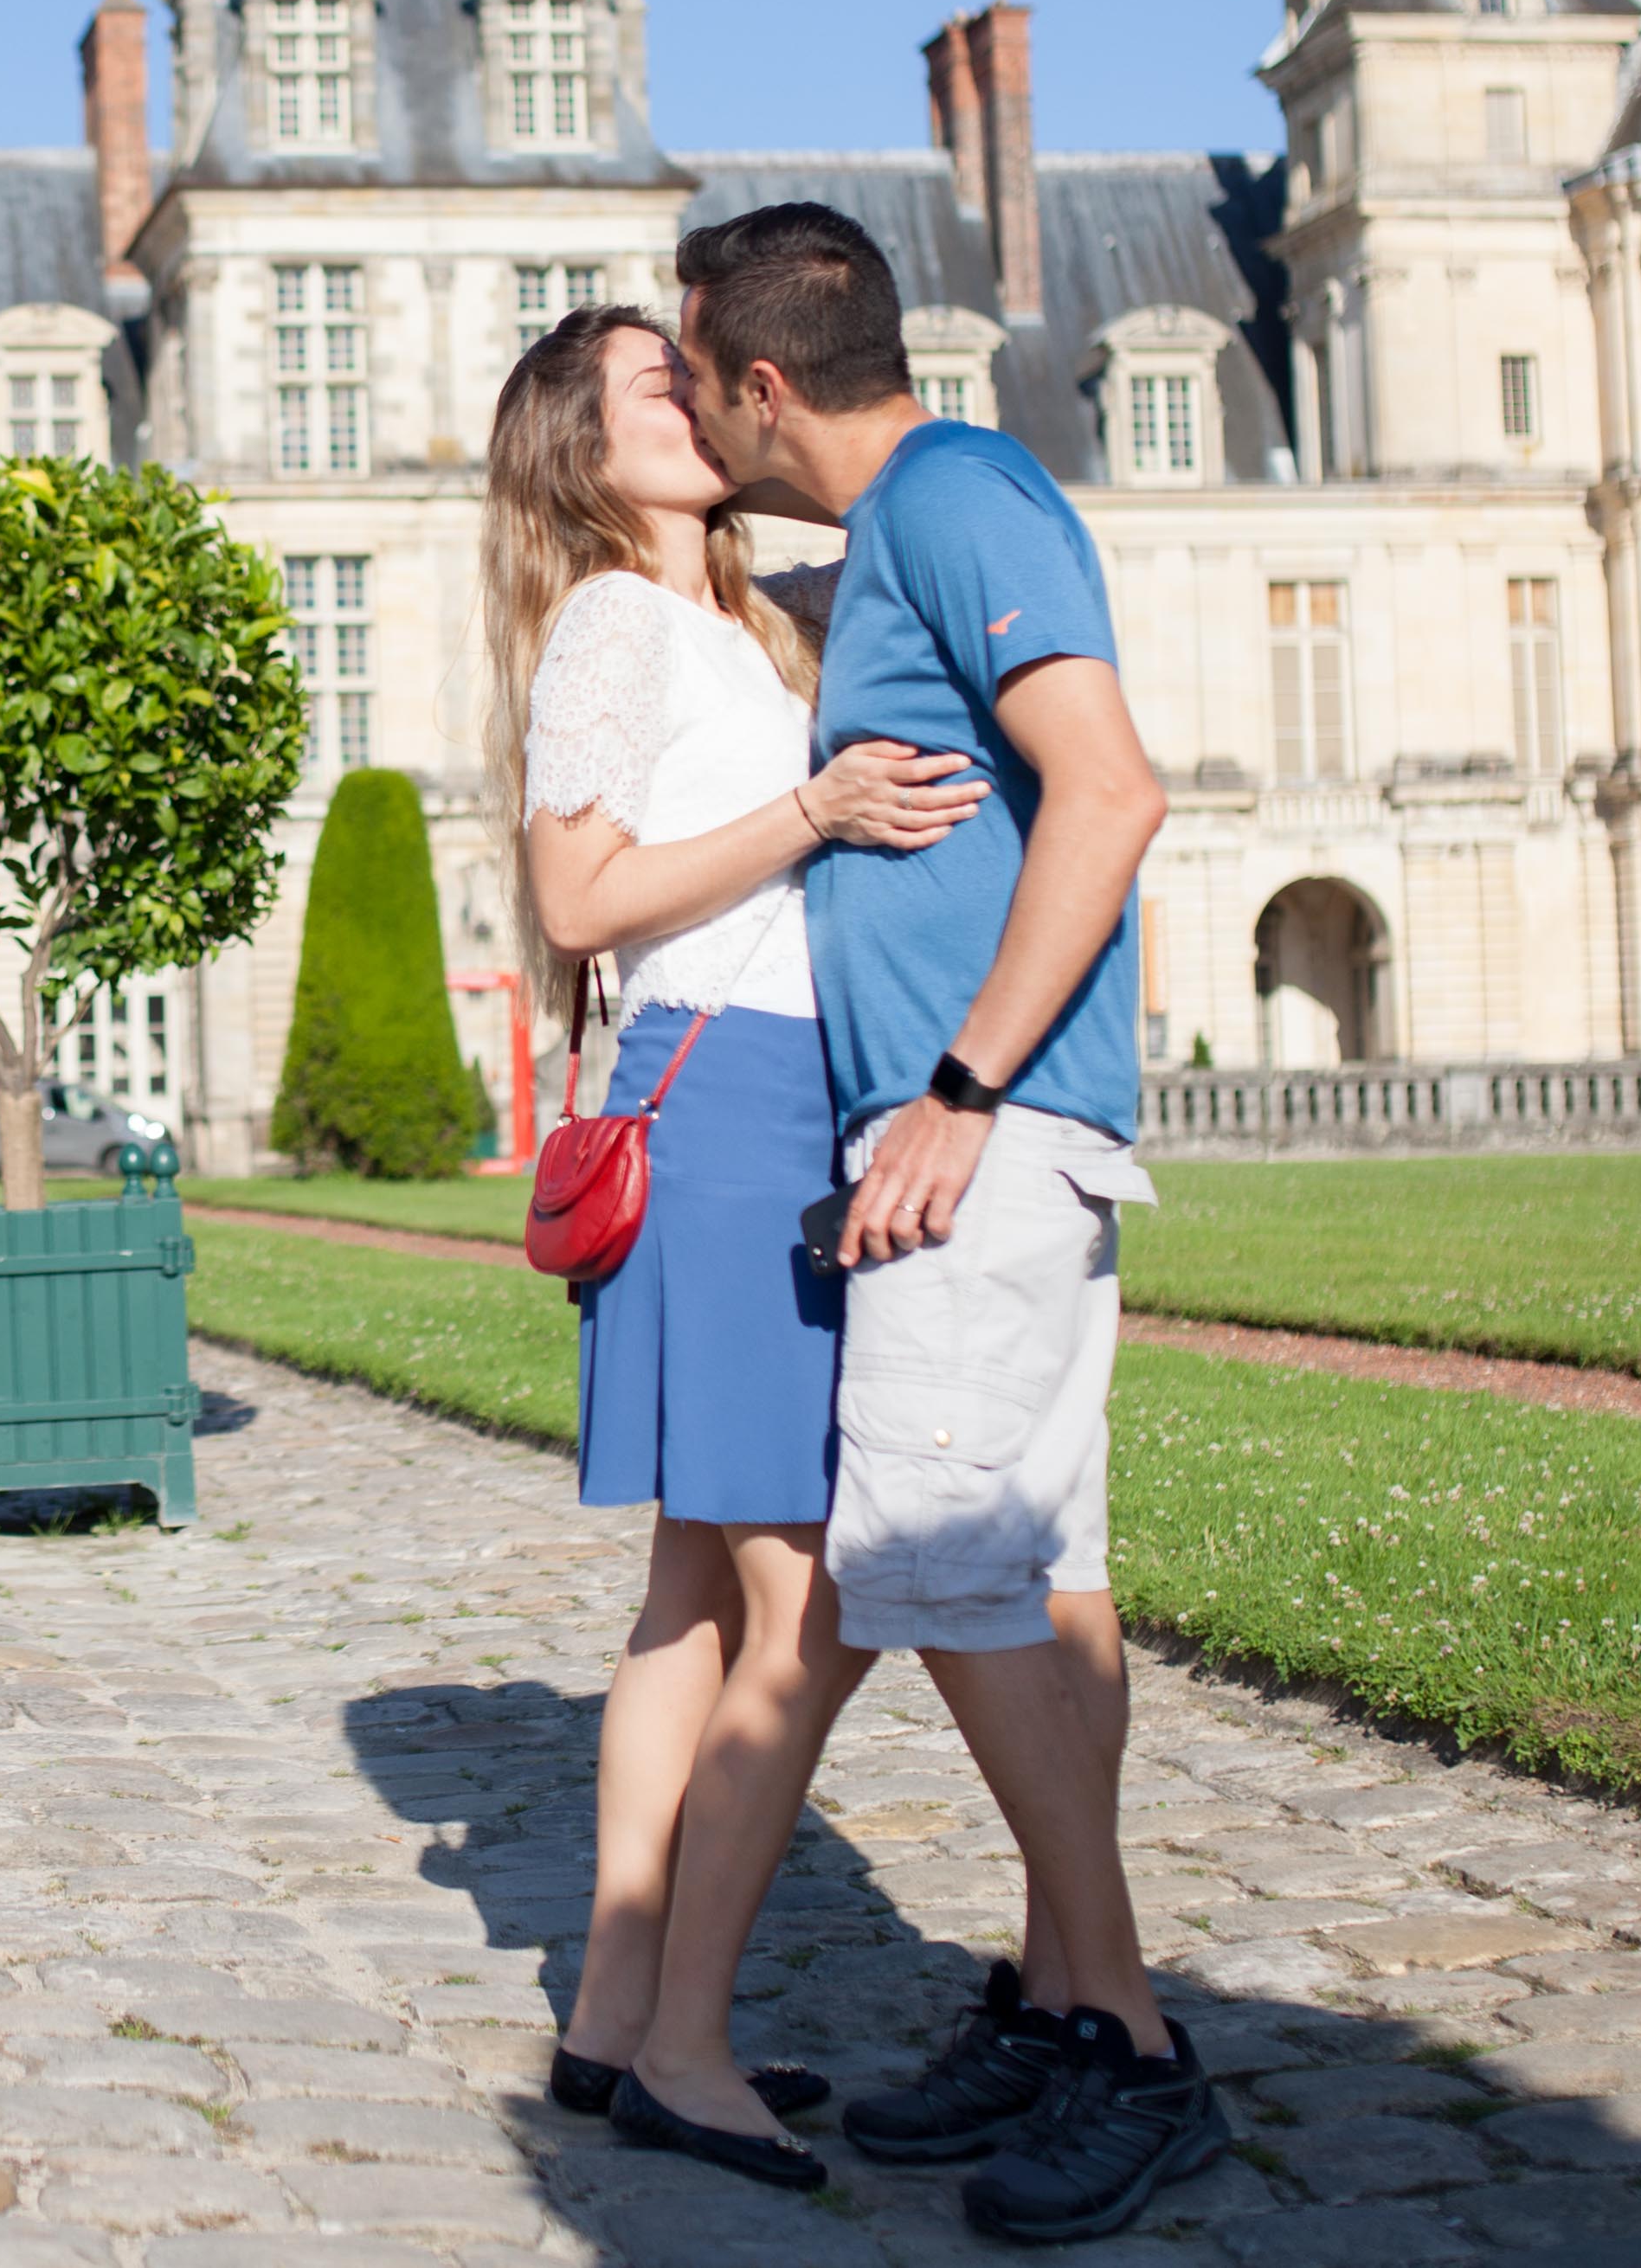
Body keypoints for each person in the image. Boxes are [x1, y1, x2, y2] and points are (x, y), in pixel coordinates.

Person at [676, 202, 1208, 2244]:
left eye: (691, 372)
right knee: (1040, 1579)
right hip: (970, 1139)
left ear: (761, 383)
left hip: (972, 1142)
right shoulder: (899, 530)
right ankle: (1062, 1998)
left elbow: (1109, 788)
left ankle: (1131, 2041)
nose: (689, 406)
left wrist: (960, 1087)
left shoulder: (959, 491)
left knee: (933, 1560)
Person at [487, 302, 987, 2194]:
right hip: (723, 1108)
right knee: (807, 1604)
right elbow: (579, 898)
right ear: (581, 447)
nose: (689, 396)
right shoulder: (618, 621)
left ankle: (618, 2020)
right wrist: (811, 807)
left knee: (694, 1597)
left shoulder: (735, 613)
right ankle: (689, 2043)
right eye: (650, 382)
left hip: (761, 1095)